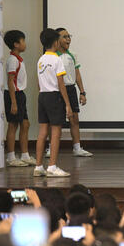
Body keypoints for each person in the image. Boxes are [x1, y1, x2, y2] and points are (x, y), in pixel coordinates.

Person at [45, 28, 92, 158]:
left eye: (69, 36)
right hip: (57, 90)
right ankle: (51, 148)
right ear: (57, 40)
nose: (68, 39)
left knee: (74, 120)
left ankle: (77, 148)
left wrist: (82, 92)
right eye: (64, 37)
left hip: (70, 89)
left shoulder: (73, 55)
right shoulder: (52, 57)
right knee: (54, 122)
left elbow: (77, 75)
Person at [33, 28, 72, 177]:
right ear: (56, 42)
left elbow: (38, 81)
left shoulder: (41, 59)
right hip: (54, 96)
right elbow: (61, 83)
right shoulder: (57, 59)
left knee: (43, 131)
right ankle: (52, 166)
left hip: (42, 96)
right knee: (56, 132)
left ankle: (38, 166)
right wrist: (67, 104)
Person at [3, 30, 36, 167]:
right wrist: (14, 102)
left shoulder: (18, 59)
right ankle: (10, 157)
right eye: (23, 41)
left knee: (25, 124)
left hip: (20, 94)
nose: (25, 44)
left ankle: (25, 155)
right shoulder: (12, 60)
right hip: (13, 95)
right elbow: (10, 82)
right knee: (13, 125)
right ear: (16, 44)